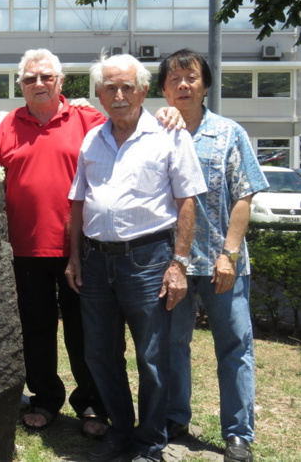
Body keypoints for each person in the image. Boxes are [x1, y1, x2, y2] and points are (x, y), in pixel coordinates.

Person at [65, 53, 206, 462]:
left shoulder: (169, 134)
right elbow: (78, 203)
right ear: (99, 95)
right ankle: (120, 431)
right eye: (110, 87)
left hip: (148, 260)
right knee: (99, 353)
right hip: (94, 260)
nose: (120, 94)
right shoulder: (92, 139)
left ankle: (150, 442)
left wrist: (179, 264)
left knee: (152, 356)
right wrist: (74, 258)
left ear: (144, 90)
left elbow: (186, 202)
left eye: (128, 86)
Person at [0, 48, 109, 437]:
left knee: (84, 330)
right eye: (29, 78)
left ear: (60, 81)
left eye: (46, 77)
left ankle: (91, 402)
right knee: (35, 329)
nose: (38, 84)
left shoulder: (89, 119)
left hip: (80, 248)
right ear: (20, 85)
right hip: (24, 249)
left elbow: (131, 128)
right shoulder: (8, 124)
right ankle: (44, 398)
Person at [159, 49, 267, 462]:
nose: (183, 84)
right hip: (174, 264)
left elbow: (244, 194)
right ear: (164, 89)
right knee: (172, 344)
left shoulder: (228, 132)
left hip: (223, 263)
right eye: (174, 79)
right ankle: (174, 417)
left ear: (205, 85)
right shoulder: (155, 132)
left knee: (235, 346)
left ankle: (238, 433)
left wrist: (230, 253)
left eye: (191, 77)